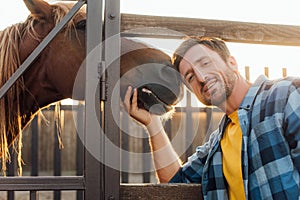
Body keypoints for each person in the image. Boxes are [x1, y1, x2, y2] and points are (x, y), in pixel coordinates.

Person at [123, 36, 300, 200]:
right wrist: (153, 124)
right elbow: (174, 182)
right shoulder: (216, 145)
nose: (201, 77)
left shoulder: (285, 95)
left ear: (232, 63)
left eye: (205, 63)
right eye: (190, 77)